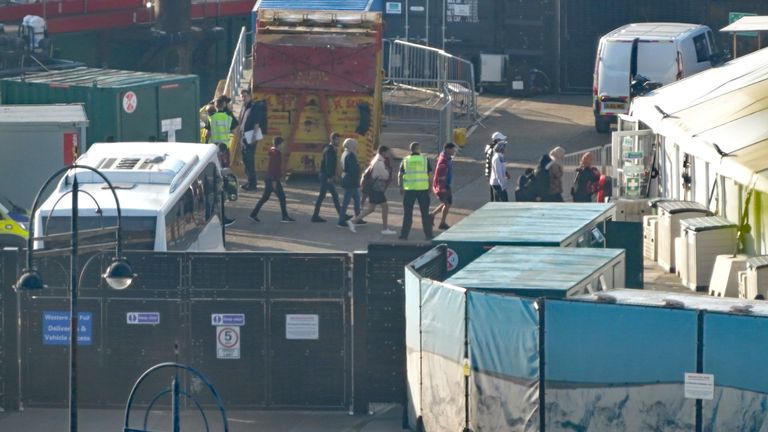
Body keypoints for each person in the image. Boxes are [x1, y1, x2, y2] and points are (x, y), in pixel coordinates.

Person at [348, 146, 396, 235]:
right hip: (377, 188)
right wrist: (389, 172)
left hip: (373, 188)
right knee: (385, 207)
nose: (388, 154)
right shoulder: (380, 162)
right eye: (387, 152)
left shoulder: (376, 160)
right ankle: (385, 229)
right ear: (383, 152)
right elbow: (385, 175)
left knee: (371, 208)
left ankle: (353, 221)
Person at [248, 136, 295, 223]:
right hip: (273, 179)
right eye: (282, 143)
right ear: (279, 144)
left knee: (265, 198)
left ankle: (253, 214)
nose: (283, 145)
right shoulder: (276, 154)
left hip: (269, 178)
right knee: (282, 197)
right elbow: (273, 168)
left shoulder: (272, 152)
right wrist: (274, 181)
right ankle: (285, 217)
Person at [398, 142, 433, 241]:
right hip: (423, 190)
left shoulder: (406, 160)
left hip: (409, 190)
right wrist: (430, 186)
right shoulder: (424, 160)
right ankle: (428, 235)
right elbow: (430, 174)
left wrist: (401, 187)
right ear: (419, 149)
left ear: (411, 149)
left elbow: (400, 175)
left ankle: (404, 235)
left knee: (408, 213)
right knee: (425, 213)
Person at [239, 89, 267, 192]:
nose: (243, 98)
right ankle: (249, 181)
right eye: (242, 96)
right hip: (244, 136)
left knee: (250, 161)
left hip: (250, 137)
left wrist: (254, 137)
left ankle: (253, 184)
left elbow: (256, 123)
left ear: (250, 96)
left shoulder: (254, 107)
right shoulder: (244, 107)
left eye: (245, 96)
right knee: (246, 160)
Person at [311, 132, 343, 222]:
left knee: (330, 195)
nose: (338, 141)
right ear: (332, 140)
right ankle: (315, 216)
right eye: (337, 139)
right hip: (326, 176)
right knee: (324, 195)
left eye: (339, 140)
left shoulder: (330, 148)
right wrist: (330, 176)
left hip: (325, 175)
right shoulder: (329, 150)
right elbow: (328, 164)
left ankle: (341, 214)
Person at [430, 142, 457, 230]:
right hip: (443, 186)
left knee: (446, 203)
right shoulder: (443, 161)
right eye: (453, 149)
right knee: (447, 203)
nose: (454, 151)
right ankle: (442, 223)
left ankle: (432, 215)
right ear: (448, 149)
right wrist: (442, 189)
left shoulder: (447, 158)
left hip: (445, 185)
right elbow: (441, 176)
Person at [338, 138, 361, 228]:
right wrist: (359, 168)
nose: (356, 147)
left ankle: (358, 218)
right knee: (346, 201)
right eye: (354, 145)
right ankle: (341, 220)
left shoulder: (344, 153)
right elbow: (353, 169)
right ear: (351, 145)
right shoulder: (351, 155)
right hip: (351, 180)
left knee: (357, 200)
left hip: (347, 178)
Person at [486, 131, 506, 201]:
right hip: (494, 175)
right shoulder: (495, 151)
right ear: (497, 140)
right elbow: (497, 165)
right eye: (501, 140)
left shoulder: (490, 148)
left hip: (491, 175)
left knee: (494, 193)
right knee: (497, 195)